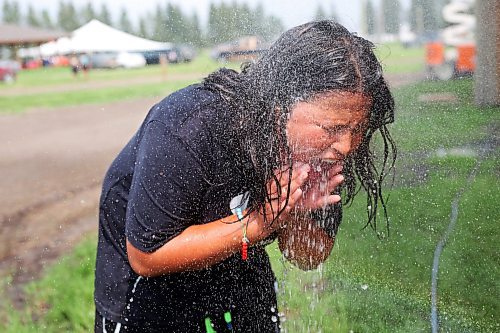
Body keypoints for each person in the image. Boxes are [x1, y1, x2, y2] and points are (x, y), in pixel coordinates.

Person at [94, 20, 396, 333]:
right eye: (332, 129)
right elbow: (147, 256)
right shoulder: (191, 125)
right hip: (148, 301)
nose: (346, 146)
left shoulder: (317, 152)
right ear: (280, 106)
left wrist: (296, 214)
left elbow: (308, 257)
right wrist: (261, 222)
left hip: (241, 287)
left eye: (357, 129)